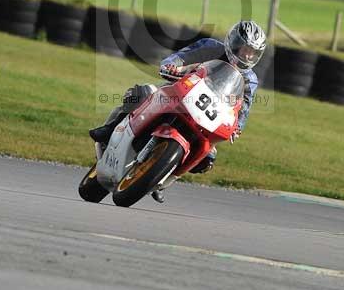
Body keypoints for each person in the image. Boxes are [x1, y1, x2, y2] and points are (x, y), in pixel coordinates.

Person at [89, 21, 267, 201]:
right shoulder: (210, 47)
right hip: (178, 92)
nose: (247, 55)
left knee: (208, 158)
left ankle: (162, 176)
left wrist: (238, 126)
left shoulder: (249, 79)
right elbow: (181, 57)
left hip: (207, 114)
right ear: (233, 41)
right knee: (140, 94)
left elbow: (243, 106)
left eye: (252, 53)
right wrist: (171, 66)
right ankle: (110, 128)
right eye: (244, 48)